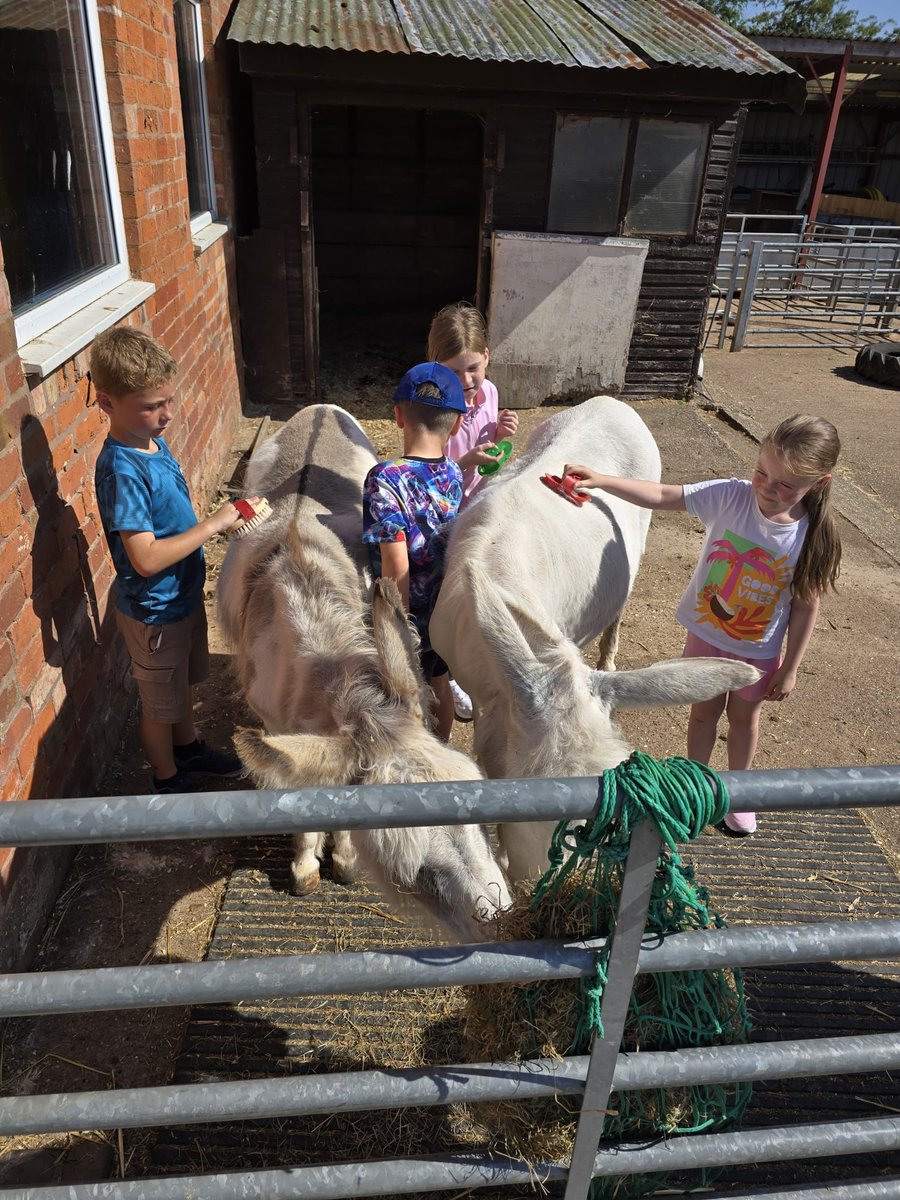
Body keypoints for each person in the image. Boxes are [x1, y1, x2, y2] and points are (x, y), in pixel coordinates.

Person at [564, 414, 842, 837]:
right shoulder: (730, 496)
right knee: (702, 715)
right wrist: (602, 479)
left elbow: (806, 607)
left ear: (818, 483)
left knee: (744, 720)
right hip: (706, 638)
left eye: (785, 485)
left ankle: (739, 794)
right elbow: (661, 494)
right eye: (761, 471)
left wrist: (790, 667)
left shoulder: (811, 536)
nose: (767, 487)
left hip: (758, 652)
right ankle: (698, 788)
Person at [92, 326, 252, 794]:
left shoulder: (152, 443)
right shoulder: (123, 469)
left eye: (168, 401)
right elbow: (143, 558)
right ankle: (168, 779)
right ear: (106, 404)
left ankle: (190, 748)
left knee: (182, 684)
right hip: (154, 611)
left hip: (179, 597)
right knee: (158, 705)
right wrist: (212, 525)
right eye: (149, 406)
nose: (165, 415)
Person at [362, 362, 466, 742]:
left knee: (404, 694)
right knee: (438, 679)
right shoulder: (454, 473)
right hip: (446, 610)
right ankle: (443, 747)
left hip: (410, 615)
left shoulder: (385, 478)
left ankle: (414, 757)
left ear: (397, 415)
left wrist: (397, 633)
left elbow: (395, 562)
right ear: (455, 425)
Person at [427, 301, 519, 720]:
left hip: (479, 506)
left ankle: (473, 665)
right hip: (443, 514)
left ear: (487, 358)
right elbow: (422, 470)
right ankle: (453, 676)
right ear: (434, 364)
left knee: (478, 585)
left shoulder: (491, 393)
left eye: (472, 369)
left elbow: (492, 444)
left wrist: (501, 432)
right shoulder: (430, 405)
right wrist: (463, 461)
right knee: (445, 593)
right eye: (452, 371)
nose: (465, 381)